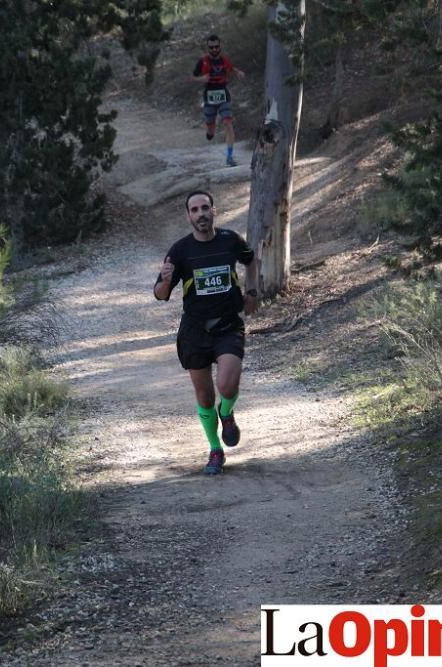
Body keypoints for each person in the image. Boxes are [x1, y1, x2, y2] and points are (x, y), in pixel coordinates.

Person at [154, 190, 259, 475]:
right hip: (195, 330)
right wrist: (164, 280)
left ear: (214, 211)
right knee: (204, 397)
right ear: (188, 216)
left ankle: (226, 414)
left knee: (227, 386)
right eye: (194, 210)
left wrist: (251, 291)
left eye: (205, 208)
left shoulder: (230, 241)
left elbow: (251, 261)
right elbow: (161, 295)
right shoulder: (179, 251)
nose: (200, 214)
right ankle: (215, 449)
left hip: (228, 324)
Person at [192, 34, 245, 167]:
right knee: (211, 128)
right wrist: (201, 79)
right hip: (209, 96)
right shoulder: (202, 62)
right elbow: (192, 77)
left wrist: (238, 72)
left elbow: (231, 69)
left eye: (216, 47)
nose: (214, 49)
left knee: (228, 124)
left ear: (220, 46)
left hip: (223, 95)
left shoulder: (225, 60)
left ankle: (230, 156)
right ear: (208, 48)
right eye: (211, 47)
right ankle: (210, 132)